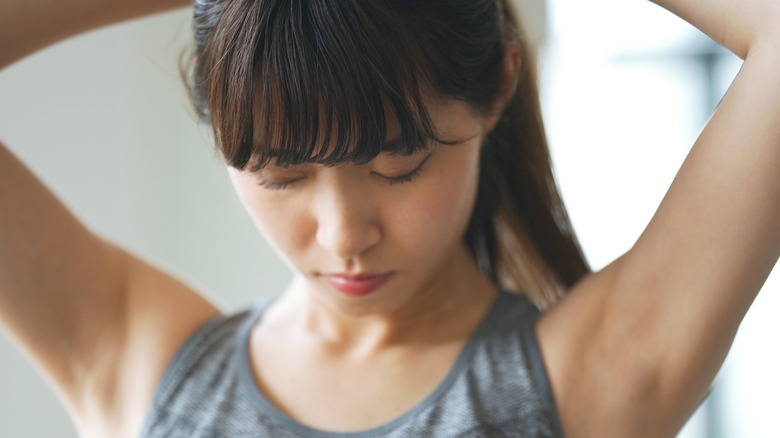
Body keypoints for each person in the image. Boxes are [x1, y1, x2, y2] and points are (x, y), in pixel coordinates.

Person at [0, 0, 778, 437]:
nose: (343, 235)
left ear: (497, 87)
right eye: (281, 174)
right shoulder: (143, 364)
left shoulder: (592, 379)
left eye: (398, 166)